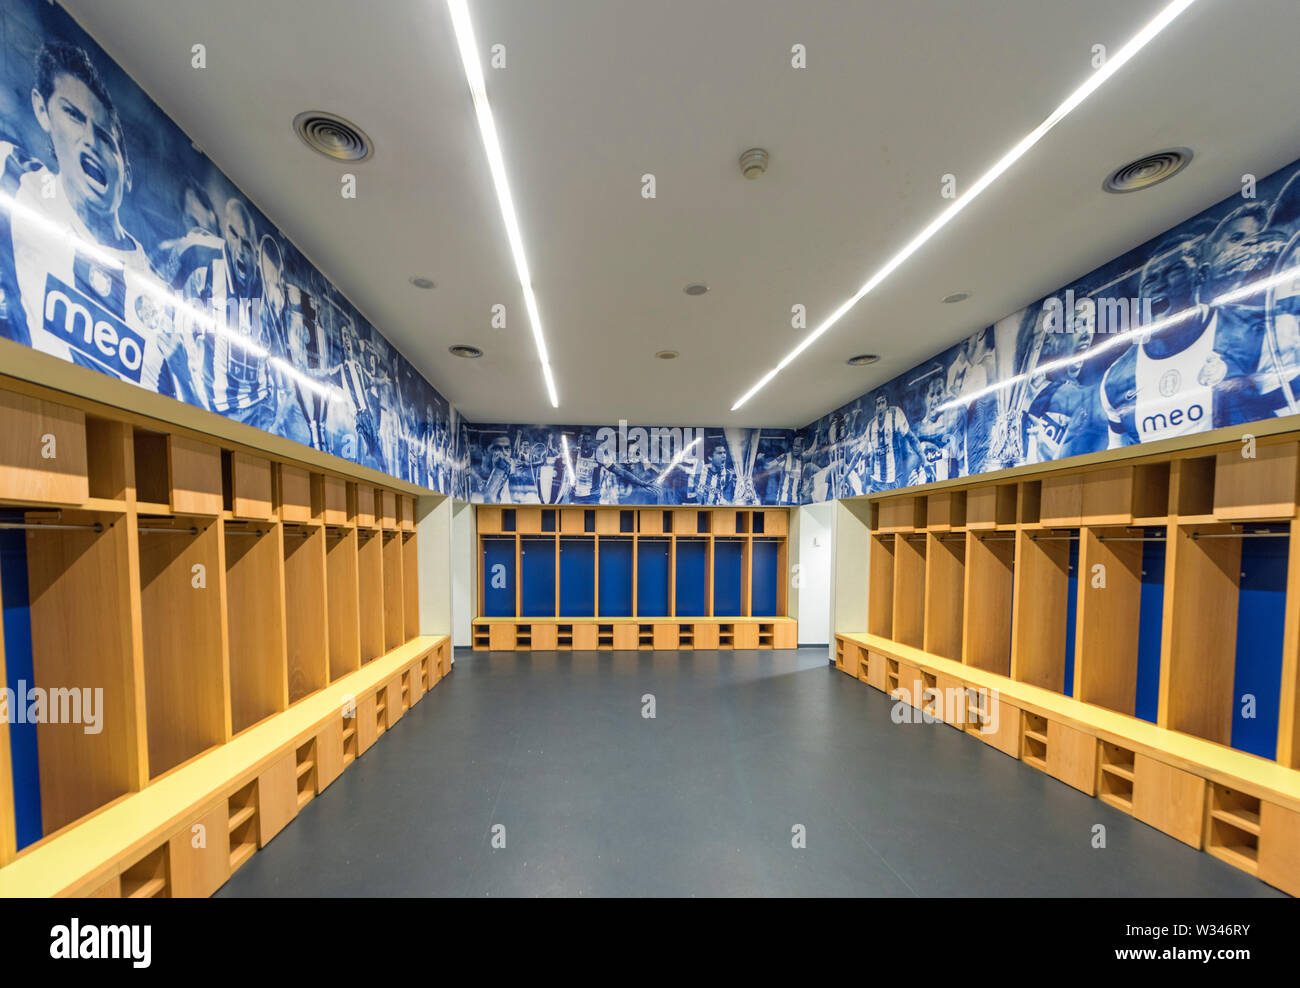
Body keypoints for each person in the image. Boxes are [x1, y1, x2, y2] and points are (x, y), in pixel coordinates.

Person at [0, 41, 198, 403]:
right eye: (73, 115)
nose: (91, 141)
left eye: (106, 137)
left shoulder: (157, 296)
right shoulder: (14, 181)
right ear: (42, 111)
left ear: (125, 168)